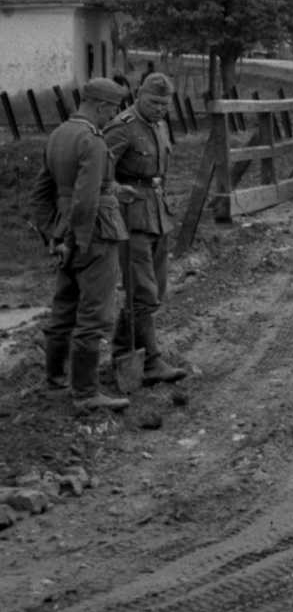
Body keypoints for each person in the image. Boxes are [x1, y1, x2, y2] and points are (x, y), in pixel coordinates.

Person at [28, 77, 131, 411]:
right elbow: (86, 201)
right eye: (113, 110)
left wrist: (54, 238)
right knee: (95, 315)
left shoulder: (58, 135)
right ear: (101, 106)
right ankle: (86, 394)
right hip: (95, 238)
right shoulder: (93, 141)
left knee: (63, 312)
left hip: (68, 236)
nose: (112, 117)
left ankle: (55, 384)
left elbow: (40, 196)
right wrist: (74, 241)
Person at [103, 72, 188, 385]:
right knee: (142, 291)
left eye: (165, 103)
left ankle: (122, 352)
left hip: (157, 215)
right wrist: (114, 193)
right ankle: (150, 362)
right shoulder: (122, 127)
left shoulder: (161, 126)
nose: (159, 108)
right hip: (131, 219)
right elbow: (99, 171)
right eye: (153, 101)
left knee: (156, 290)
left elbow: (159, 174)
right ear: (138, 96)